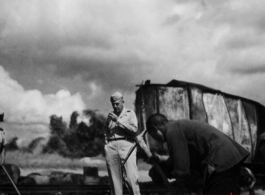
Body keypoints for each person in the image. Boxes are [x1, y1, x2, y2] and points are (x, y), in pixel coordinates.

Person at [146, 113, 250, 195]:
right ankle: (244, 173)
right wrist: (160, 159)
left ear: (155, 129)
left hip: (222, 160)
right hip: (231, 157)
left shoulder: (172, 130)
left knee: (216, 190)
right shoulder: (179, 126)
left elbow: (181, 165)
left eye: (153, 135)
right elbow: (185, 155)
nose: (155, 139)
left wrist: (179, 185)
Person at [105, 92, 141, 195]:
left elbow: (134, 130)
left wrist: (118, 121)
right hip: (111, 147)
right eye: (113, 104)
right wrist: (106, 142)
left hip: (127, 145)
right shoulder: (110, 116)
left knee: (131, 178)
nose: (115, 106)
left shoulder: (130, 114)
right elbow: (106, 129)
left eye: (117, 103)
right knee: (115, 182)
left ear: (123, 102)